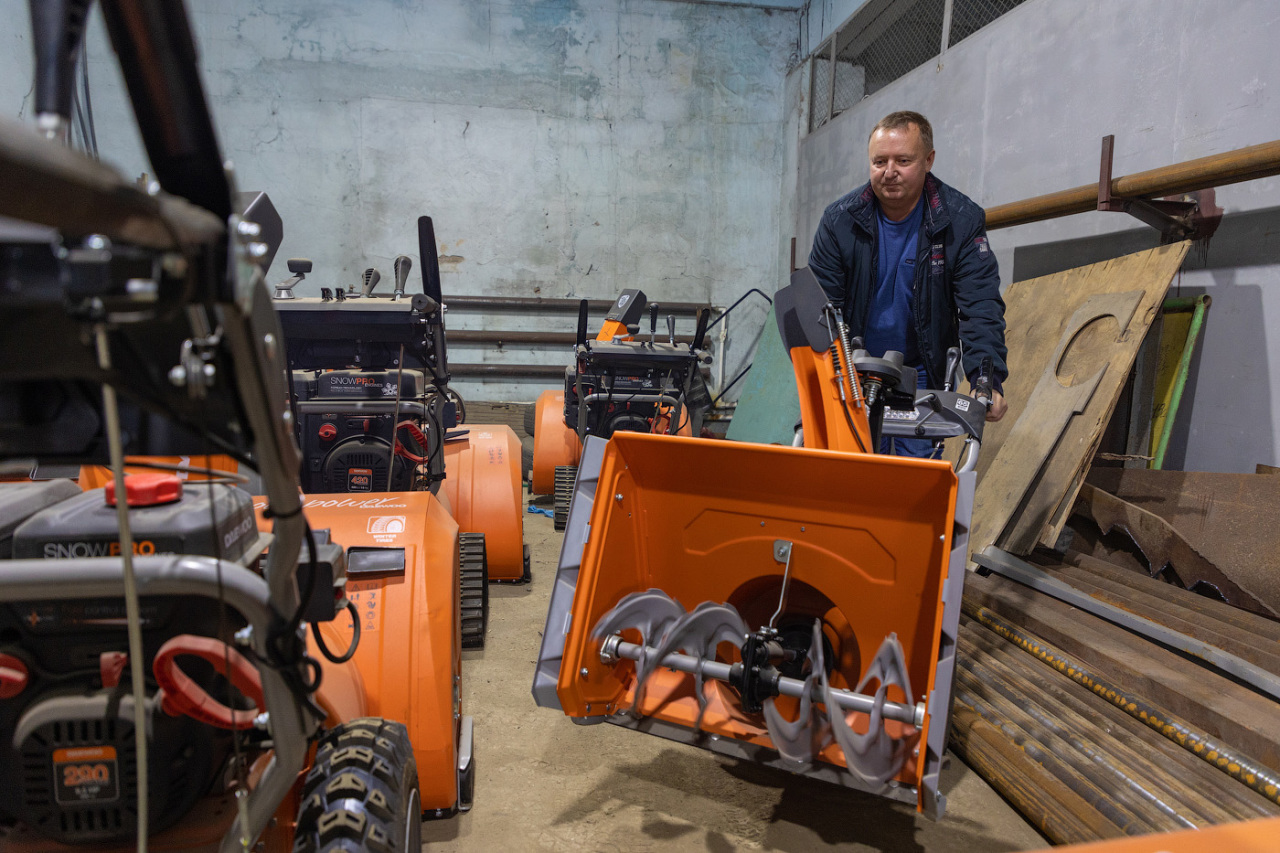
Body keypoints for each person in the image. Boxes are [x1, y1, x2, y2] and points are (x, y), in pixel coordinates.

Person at [808, 110, 1008, 456]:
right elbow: (820, 308)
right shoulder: (839, 222)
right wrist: (825, 376)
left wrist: (984, 380)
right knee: (847, 481)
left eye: (903, 160)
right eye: (879, 161)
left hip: (920, 377)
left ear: (928, 160)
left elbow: (980, 306)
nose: (889, 172)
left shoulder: (959, 222)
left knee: (913, 484)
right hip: (853, 374)